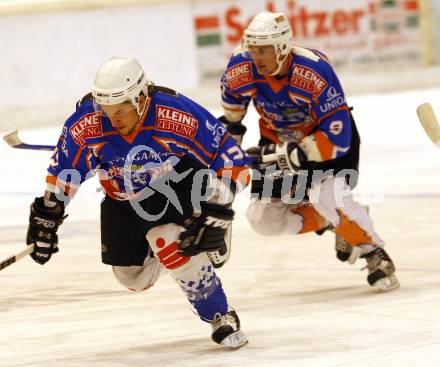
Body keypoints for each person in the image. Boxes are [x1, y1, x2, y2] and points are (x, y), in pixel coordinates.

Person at [25, 57, 250, 348]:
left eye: (121, 110)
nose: (112, 118)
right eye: (106, 110)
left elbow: (235, 161)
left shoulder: (176, 115)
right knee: (132, 278)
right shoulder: (85, 124)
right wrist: (47, 215)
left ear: (142, 98)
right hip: (120, 198)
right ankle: (188, 250)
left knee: (166, 240)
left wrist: (217, 207)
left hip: (173, 185)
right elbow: (64, 171)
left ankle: (218, 314)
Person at [219, 11, 399, 291]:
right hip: (277, 142)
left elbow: (339, 133)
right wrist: (227, 164)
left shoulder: (313, 71)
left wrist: (295, 154)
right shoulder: (240, 68)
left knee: (326, 195)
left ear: (282, 47)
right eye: (253, 50)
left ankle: (374, 253)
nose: (257, 57)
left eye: (264, 50)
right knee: (262, 219)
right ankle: (332, 222)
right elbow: (231, 122)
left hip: (327, 144)